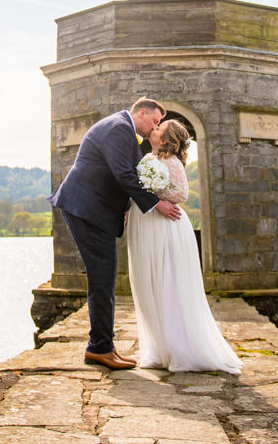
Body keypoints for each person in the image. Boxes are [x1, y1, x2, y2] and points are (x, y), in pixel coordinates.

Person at [49, 97, 183, 370]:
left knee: (105, 277)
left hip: (91, 210)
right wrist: (156, 204)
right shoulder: (118, 128)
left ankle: (104, 346)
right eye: (155, 121)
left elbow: (118, 174)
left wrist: (125, 208)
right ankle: (99, 348)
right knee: (102, 277)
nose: (154, 127)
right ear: (142, 112)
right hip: (85, 209)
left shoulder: (121, 128)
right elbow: (123, 174)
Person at [126, 118, 242, 374]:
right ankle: (159, 350)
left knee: (169, 284)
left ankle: (181, 349)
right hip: (145, 225)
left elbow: (181, 194)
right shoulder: (149, 160)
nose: (153, 128)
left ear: (166, 140)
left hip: (165, 227)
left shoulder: (171, 163)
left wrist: (156, 195)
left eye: (158, 128)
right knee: (149, 283)